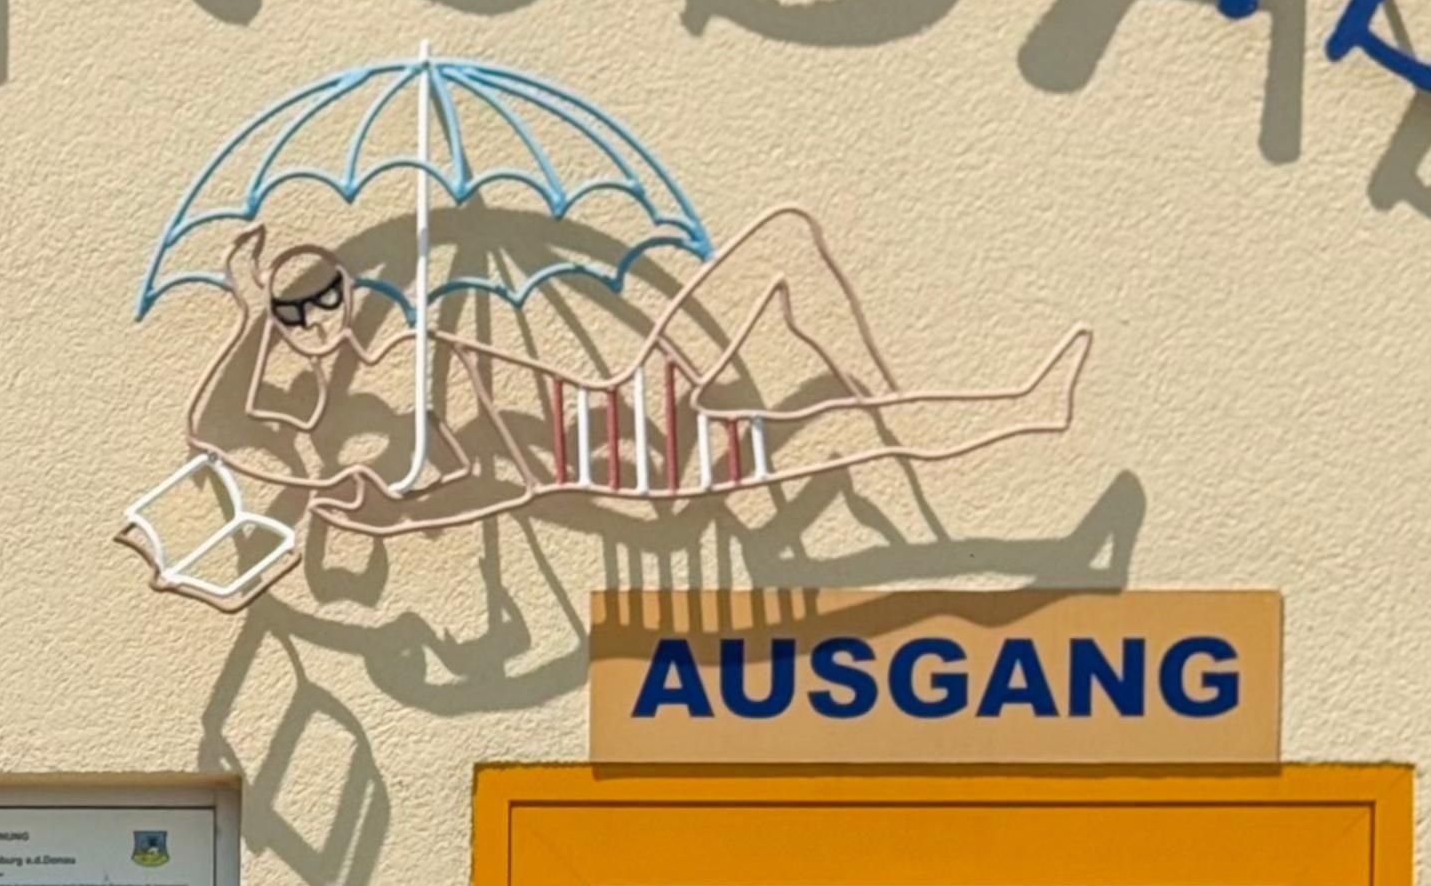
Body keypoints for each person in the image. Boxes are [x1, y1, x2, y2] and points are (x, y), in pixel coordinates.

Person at [123, 212, 1089, 604]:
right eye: (298, 313)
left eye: (327, 292)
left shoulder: (378, 362)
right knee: (830, 428)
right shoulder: (345, 471)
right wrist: (250, 317)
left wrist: (273, 309)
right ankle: (1017, 411)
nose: (321, 316)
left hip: (629, 395)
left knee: (787, 242)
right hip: (640, 462)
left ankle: (909, 413)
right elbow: (216, 427)